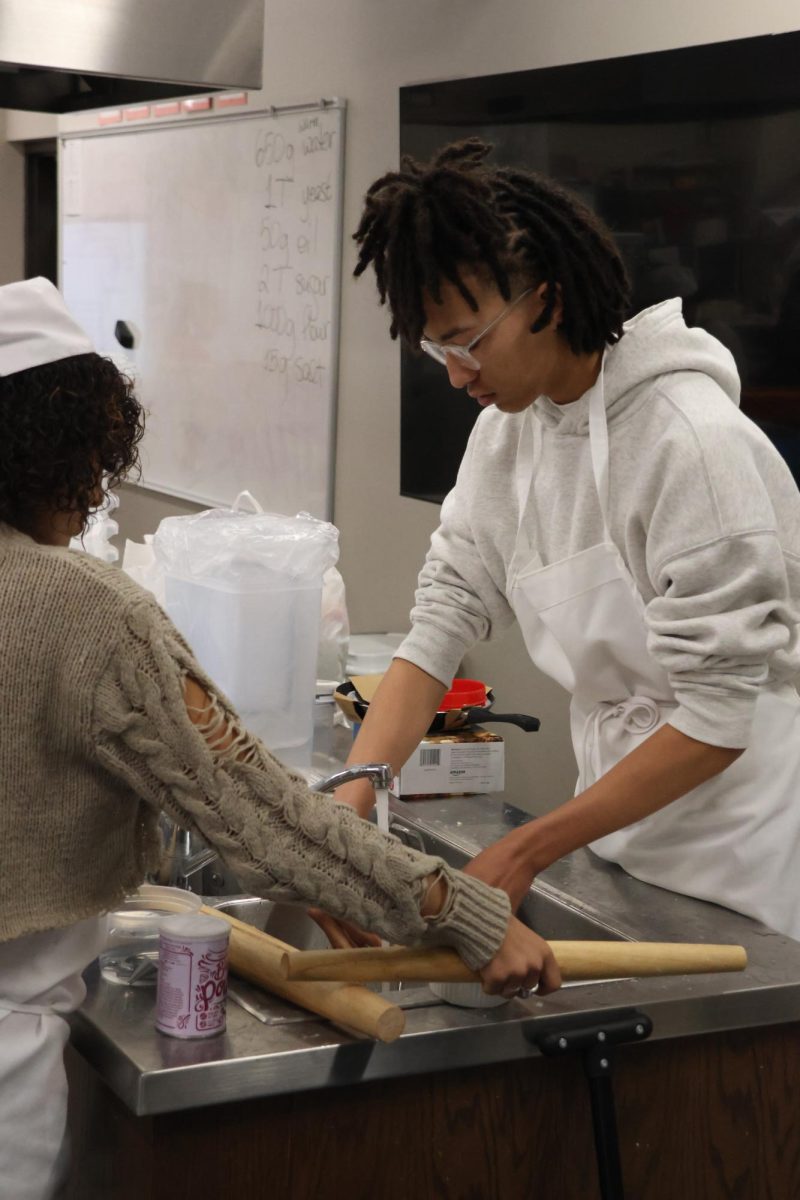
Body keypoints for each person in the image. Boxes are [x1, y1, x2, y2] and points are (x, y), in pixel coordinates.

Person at [0, 277, 560, 1200]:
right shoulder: (86, 615)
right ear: (53, 443)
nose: (100, 483)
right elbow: (262, 817)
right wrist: (467, 914)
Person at [334, 138, 800, 943]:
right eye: (435, 348)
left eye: (469, 341)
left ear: (545, 301)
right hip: (621, 832)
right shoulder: (508, 439)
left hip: (752, 851)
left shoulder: (691, 444)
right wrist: (348, 807)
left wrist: (530, 847)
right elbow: (439, 626)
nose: (455, 373)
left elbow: (720, 715)